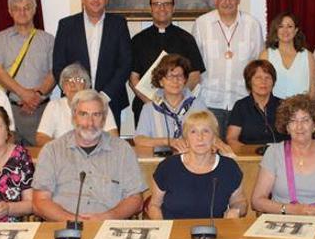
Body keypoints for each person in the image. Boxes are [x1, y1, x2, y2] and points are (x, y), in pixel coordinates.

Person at [32, 89, 146, 221]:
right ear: (74, 116)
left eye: (96, 115)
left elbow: (136, 199)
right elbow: (39, 201)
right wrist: (73, 221)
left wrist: (108, 217)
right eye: (84, 114)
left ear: (104, 118)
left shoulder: (122, 150)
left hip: (108, 228)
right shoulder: (52, 151)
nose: (90, 123)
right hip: (63, 228)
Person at [52, 0, 132, 128]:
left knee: (109, 148)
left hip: (110, 101)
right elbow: (59, 65)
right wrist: (75, 95)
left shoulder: (118, 24)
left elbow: (125, 64)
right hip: (75, 103)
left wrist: (104, 96)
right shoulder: (66, 25)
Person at [192, 0, 263, 136]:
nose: (227, 2)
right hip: (209, 101)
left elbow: (258, 65)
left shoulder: (252, 25)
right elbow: (194, 65)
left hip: (242, 102)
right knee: (210, 152)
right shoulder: (201, 24)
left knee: (239, 154)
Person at [0, 0, 56, 146]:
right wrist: (23, 93)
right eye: (17, 8)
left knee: (41, 159)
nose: (22, 12)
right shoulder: (0, 39)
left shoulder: (48, 40)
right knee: (9, 160)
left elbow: (55, 72)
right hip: (10, 110)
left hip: (40, 111)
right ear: (10, 11)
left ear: (34, 10)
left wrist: (36, 96)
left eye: (27, 7)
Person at [147, 111, 247, 219]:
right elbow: (154, 205)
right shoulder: (168, 167)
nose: (200, 137)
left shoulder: (229, 167)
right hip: (174, 233)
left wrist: (236, 210)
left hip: (216, 233)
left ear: (214, 138)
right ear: (186, 139)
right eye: (193, 132)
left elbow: (240, 202)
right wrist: (161, 227)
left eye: (206, 131)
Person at [130, 0, 205, 125]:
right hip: (146, 107)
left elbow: (195, 76)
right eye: (157, 4)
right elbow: (133, 78)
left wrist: (177, 101)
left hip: (181, 109)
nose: (162, 8)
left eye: (166, 3)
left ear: (173, 7)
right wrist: (154, 103)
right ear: (150, 8)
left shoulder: (186, 39)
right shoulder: (138, 40)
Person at [134, 54, 209, 150]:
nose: (175, 81)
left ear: (185, 79)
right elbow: (139, 139)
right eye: (170, 76)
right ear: (161, 81)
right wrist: (168, 141)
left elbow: (210, 135)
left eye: (180, 76)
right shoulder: (149, 108)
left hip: (192, 160)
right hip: (159, 161)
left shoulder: (198, 105)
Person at [36, 63, 118, 147]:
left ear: (86, 86)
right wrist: (64, 149)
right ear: (63, 88)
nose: (72, 85)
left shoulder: (100, 105)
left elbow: (113, 137)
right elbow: (41, 137)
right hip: (63, 156)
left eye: (78, 80)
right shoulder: (54, 106)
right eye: (68, 80)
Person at [226, 60, 289, 149]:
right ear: (249, 81)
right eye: (258, 78)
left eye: (267, 77)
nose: (263, 82)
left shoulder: (284, 106)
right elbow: (231, 138)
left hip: (280, 157)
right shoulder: (240, 106)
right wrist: (249, 153)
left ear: (273, 81)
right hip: (250, 157)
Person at [258, 12, 315, 99]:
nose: (285, 30)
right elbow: (260, 87)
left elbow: (312, 91)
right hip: (273, 110)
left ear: (296, 30)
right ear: (276, 30)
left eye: (289, 26)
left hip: (301, 110)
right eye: (281, 26)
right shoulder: (266, 55)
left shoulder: (308, 56)